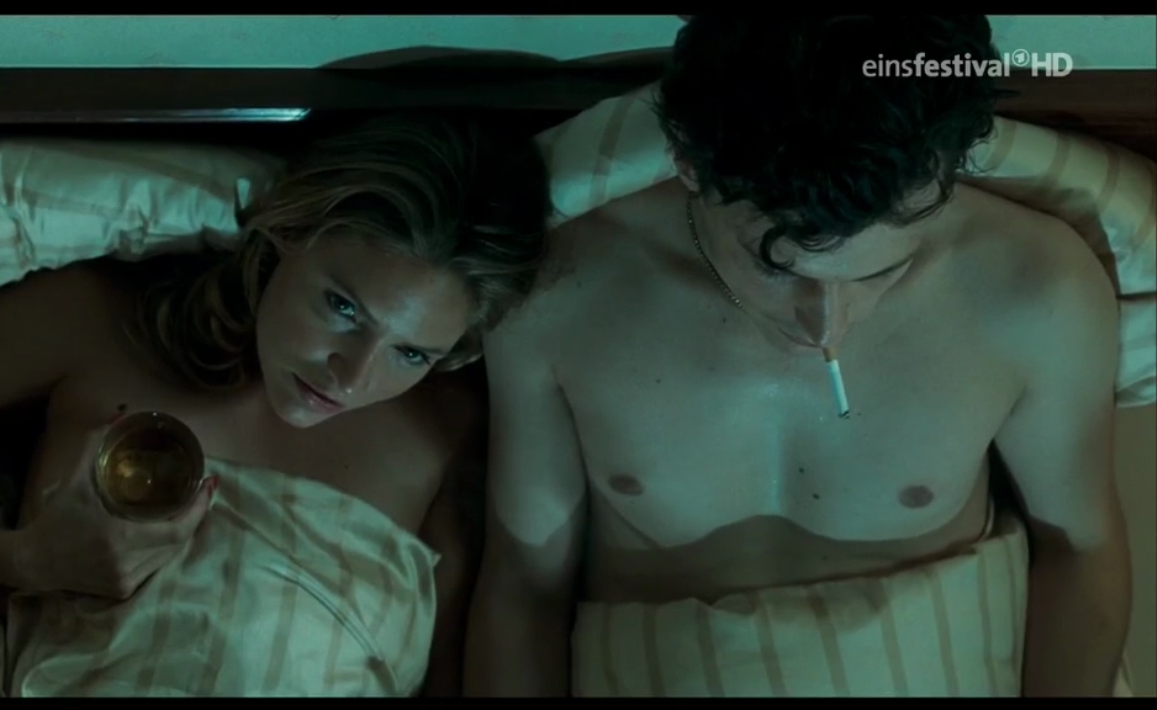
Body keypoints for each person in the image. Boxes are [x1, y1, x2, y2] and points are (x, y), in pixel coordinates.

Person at [465, 16, 1131, 697]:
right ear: (687, 163)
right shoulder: (563, 292)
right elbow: (523, 582)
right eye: (776, 269)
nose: (826, 324)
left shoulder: (1032, 289)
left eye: (882, 273)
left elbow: (1081, 549)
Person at [0, 113, 551, 697]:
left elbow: (452, 673)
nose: (353, 378)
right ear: (287, 234)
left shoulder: (451, 431)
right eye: (342, 308)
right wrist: (19, 560)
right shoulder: (96, 327)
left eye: (410, 353)